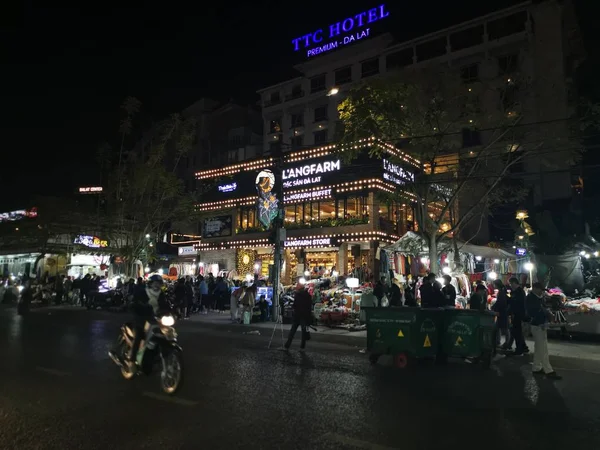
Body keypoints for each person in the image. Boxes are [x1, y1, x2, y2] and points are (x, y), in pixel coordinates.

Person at [127, 274, 171, 366]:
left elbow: (165, 305)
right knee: (139, 336)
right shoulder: (142, 292)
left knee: (166, 334)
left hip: (155, 320)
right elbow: (134, 302)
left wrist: (173, 311)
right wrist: (139, 306)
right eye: (155, 283)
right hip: (141, 318)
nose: (157, 285)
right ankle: (131, 361)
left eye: (159, 283)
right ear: (150, 284)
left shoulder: (161, 294)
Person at [526, 282, 561, 379]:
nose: (542, 292)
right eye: (540, 289)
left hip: (542, 324)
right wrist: (546, 314)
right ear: (535, 288)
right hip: (537, 325)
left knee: (539, 347)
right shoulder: (530, 298)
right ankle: (548, 370)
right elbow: (534, 312)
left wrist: (548, 314)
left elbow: (543, 308)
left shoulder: (539, 298)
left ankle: (536, 367)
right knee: (543, 349)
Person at [284, 282, 312, 351]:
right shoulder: (307, 295)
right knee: (303, 332)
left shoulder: (298, 295)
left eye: (297, 286)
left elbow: (295, 305)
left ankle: (287, 346)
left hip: (298, 315)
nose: (296, 287)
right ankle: (302, 347)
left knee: (293, 331)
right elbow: (309, 307)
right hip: (304, 316)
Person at [507, 277, 529, 355]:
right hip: (516, 314)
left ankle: (519, 349)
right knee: (517, 332)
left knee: (517, 332)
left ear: (514, 283)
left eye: (510, 284)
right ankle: (524, 347)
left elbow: (519, 304)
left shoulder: (519, 292)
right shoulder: (515, 292)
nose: (510, 285)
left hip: (518, 315)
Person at [492, 279, 510, 348]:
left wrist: (494, 308)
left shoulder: (501, 292)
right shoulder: (504, 290)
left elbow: (500, 302)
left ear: (497, 284)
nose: (493, 286)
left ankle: (505, 342)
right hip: (504, 311)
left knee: (503, 328)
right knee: (501, 327)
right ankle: (500, 342)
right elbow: (508, 299)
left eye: (494, 284)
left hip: (502, 312)